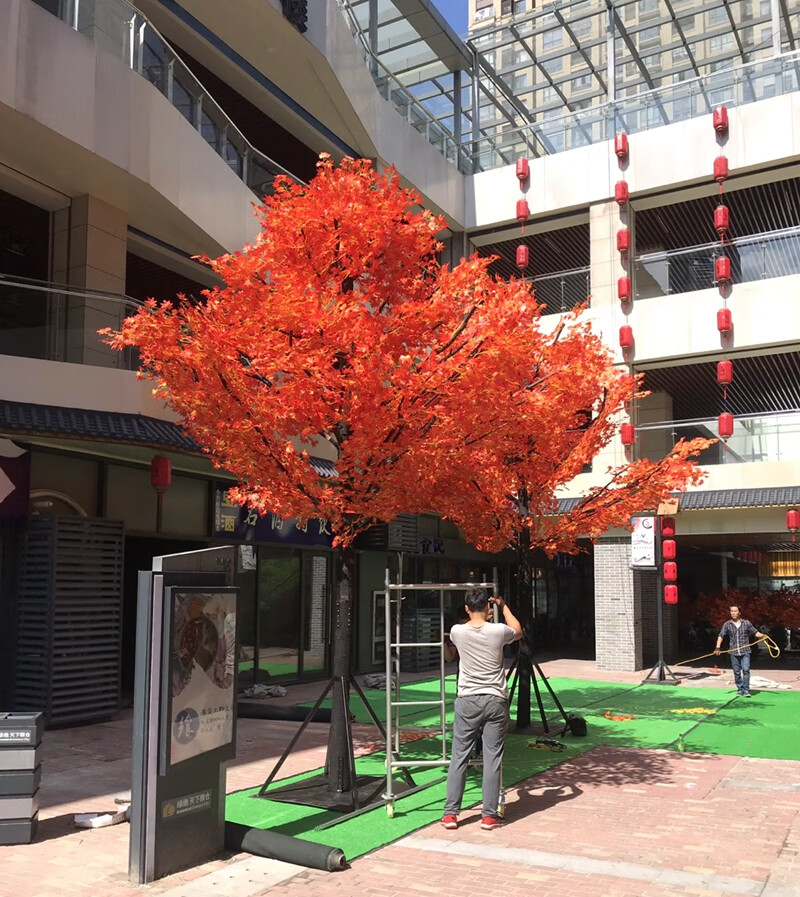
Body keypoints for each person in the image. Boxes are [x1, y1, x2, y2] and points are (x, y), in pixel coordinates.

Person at [441, 588, 522, 832]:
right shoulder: (498, 631)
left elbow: (458, 641)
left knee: (459, 757)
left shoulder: (457, 631)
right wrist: (503, 605)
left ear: (466, 608)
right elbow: (518, 630)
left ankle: (451, 814)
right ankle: (488, 816)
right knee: (492, 758)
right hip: (495, 699)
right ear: (488, 608)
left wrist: (481, 615)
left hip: (467, 699)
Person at [714, 605, 767, 698]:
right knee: (736, 672)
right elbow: (721, 635)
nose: (733, 613)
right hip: (733, 652)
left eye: (735, 611)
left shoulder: (746, 623)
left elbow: (755, 633)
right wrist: (717, 647)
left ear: (739, 613)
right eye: (731, 611)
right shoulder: (727, 624)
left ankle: (746, 689)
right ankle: (740, 689)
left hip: (745, 651)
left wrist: (763, 635)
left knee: (746, 670)